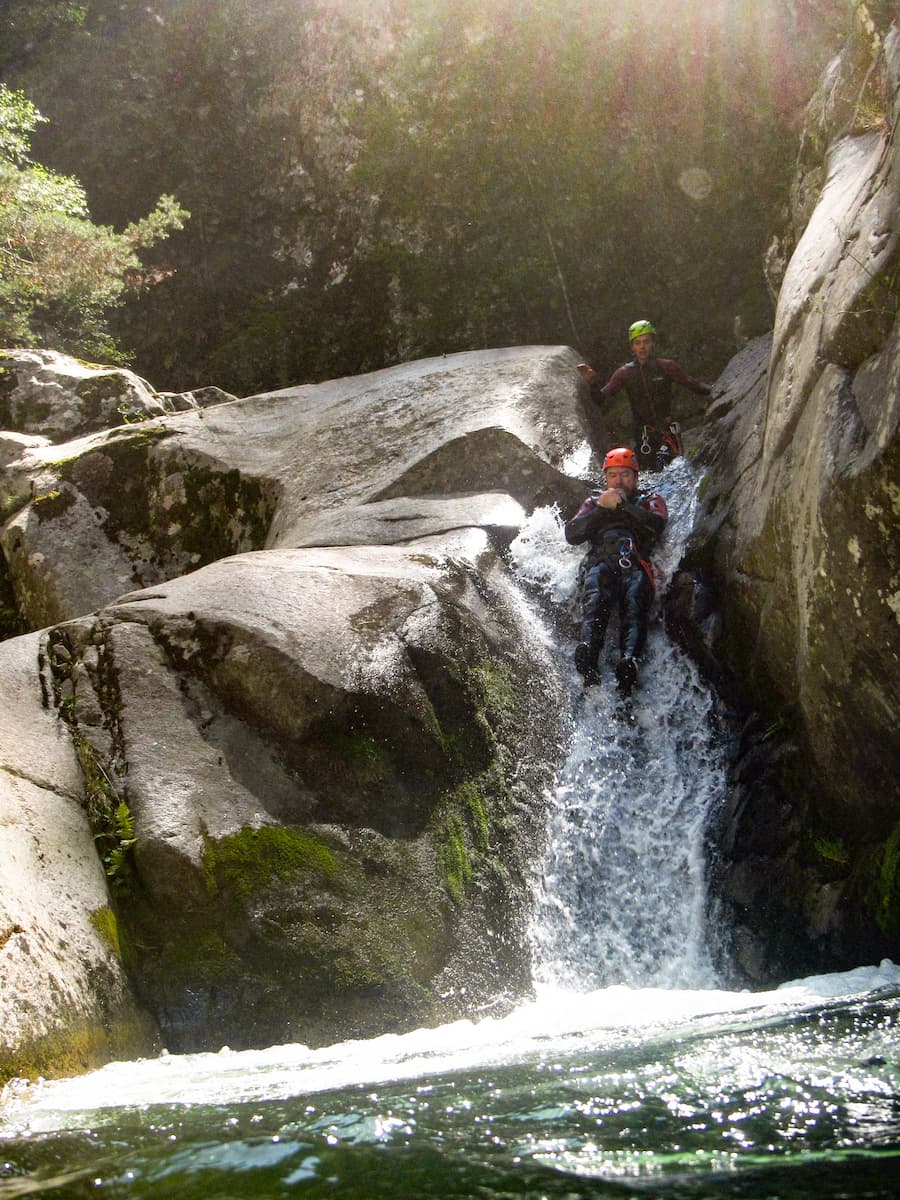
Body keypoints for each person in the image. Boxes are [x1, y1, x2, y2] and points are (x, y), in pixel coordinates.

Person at [564, 446, 668, 694]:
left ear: (635, 477)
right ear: (606, 478)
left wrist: (622, 507)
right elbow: (572, 534)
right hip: (600, 562)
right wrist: (602, 508)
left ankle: (629, 661)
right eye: (613, 475)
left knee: (634, 600)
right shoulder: (593, 502)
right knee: (596, 594)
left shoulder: (649, 499)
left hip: (635, 563)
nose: (618, 481)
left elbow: (656, 525)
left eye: (625, 475)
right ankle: (589, 654)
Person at [577, 320, 712, 470]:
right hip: (643, 437)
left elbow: (693, 385)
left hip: (667, 432)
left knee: (670, 469)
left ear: (653, 343)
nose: (642, 347)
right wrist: (592, 381)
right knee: (648, 475)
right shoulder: (625, 373)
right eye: (638, 343)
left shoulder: (667, 367)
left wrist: (718, 390)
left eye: (646, 342)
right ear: (632, 347)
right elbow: (600, 399)